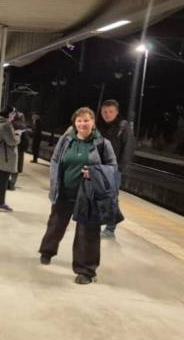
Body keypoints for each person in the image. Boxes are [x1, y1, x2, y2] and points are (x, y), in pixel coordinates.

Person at [39, 107, 118, 285]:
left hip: (88, 196)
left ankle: (86, 271)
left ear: (93, 122)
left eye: (86, 120)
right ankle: (47, 251)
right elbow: (55, 160)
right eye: (79, 120)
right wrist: (54, 183)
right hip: (64, 191)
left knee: (87, 233)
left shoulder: (102, 144)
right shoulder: (67, 140)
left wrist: (94, 172)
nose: (82, 124)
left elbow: (112, 167)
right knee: (55, 225)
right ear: (75, 123)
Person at [96, 99, 135, 238]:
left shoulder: (123, 126)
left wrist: (121, 168)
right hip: (98, 166)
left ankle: (110, 228)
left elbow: (128, 148)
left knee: (111, 197)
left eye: (110, 112)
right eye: (104, 112)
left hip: (113, 168)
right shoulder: (98, 126)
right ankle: (102, 221)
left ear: (116, 112)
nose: (107, 114)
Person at [8, 111, 28, 190]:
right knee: (16, 169)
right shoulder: (23, 127)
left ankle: (6, 183)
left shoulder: (10, 124)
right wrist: (24, 148)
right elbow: (26, 140)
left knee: (8, 166)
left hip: (10, 148)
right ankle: (12, 184)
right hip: (19, 150)